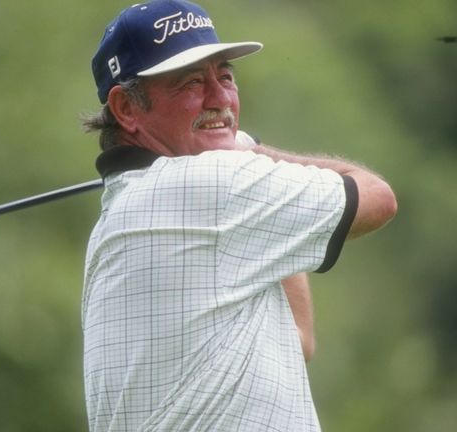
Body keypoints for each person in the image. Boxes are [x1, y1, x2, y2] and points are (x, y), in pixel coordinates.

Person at [80, 1, 397, 431]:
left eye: (225, 77)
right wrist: (258, 154)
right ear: (126, 109)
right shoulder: (210, 184)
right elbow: (378, 197)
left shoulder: (116, 219)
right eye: (192, 82)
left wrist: (249, 165)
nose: (221, 98)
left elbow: (299, 340)